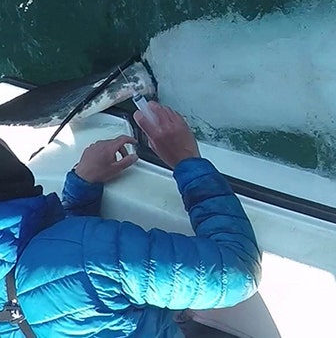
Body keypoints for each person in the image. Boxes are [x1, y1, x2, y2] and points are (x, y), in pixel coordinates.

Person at [0, 101, 262, 337]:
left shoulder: (74, 256)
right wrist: (187, 161)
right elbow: (238, 274)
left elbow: (58, 284)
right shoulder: (88, 256)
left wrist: (82, 188)